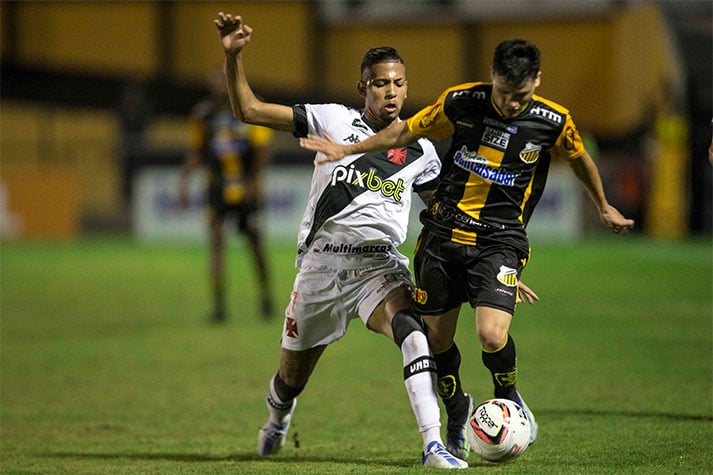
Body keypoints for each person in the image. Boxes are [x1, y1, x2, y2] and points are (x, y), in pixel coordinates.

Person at [301, 38, 635, 460]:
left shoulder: (554, 120)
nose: (511, 104)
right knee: (436, 339)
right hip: (442, 238)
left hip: (499, 241)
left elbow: (580, 157)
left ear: (537, 82)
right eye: (503, 93)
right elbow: (405, 130)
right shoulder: (461, 102)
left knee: (491, 335)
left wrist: (603, 205)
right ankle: (458, 409)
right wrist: (348, 149)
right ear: (492, 76)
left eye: (521, 97)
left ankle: (509, 400)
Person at [213, 11, 474, 468]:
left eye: (398, 83)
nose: (390, 91)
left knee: (412, 333)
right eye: (379, 83)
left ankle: (432, 445)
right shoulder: (330, 120)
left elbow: (445, 216)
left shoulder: (422, 150)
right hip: (322, 268)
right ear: (362, 88)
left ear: (407, 88)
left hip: (379, 267)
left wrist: (488, 257)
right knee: (291, 377)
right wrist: (233, 57)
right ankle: (278, 416)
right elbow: (247, 110)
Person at [178, 66, 274, 323]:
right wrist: (184, 183)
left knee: (255, 245)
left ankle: (266, 299)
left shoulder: (250, 110)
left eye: (224, 81)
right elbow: (196, 151)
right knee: (216, 243)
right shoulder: (203, 115)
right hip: (217, 187)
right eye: (215, 82)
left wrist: (255, 181)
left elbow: (262, 148)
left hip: (246, 186)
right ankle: (219, 307)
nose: (220, 87)